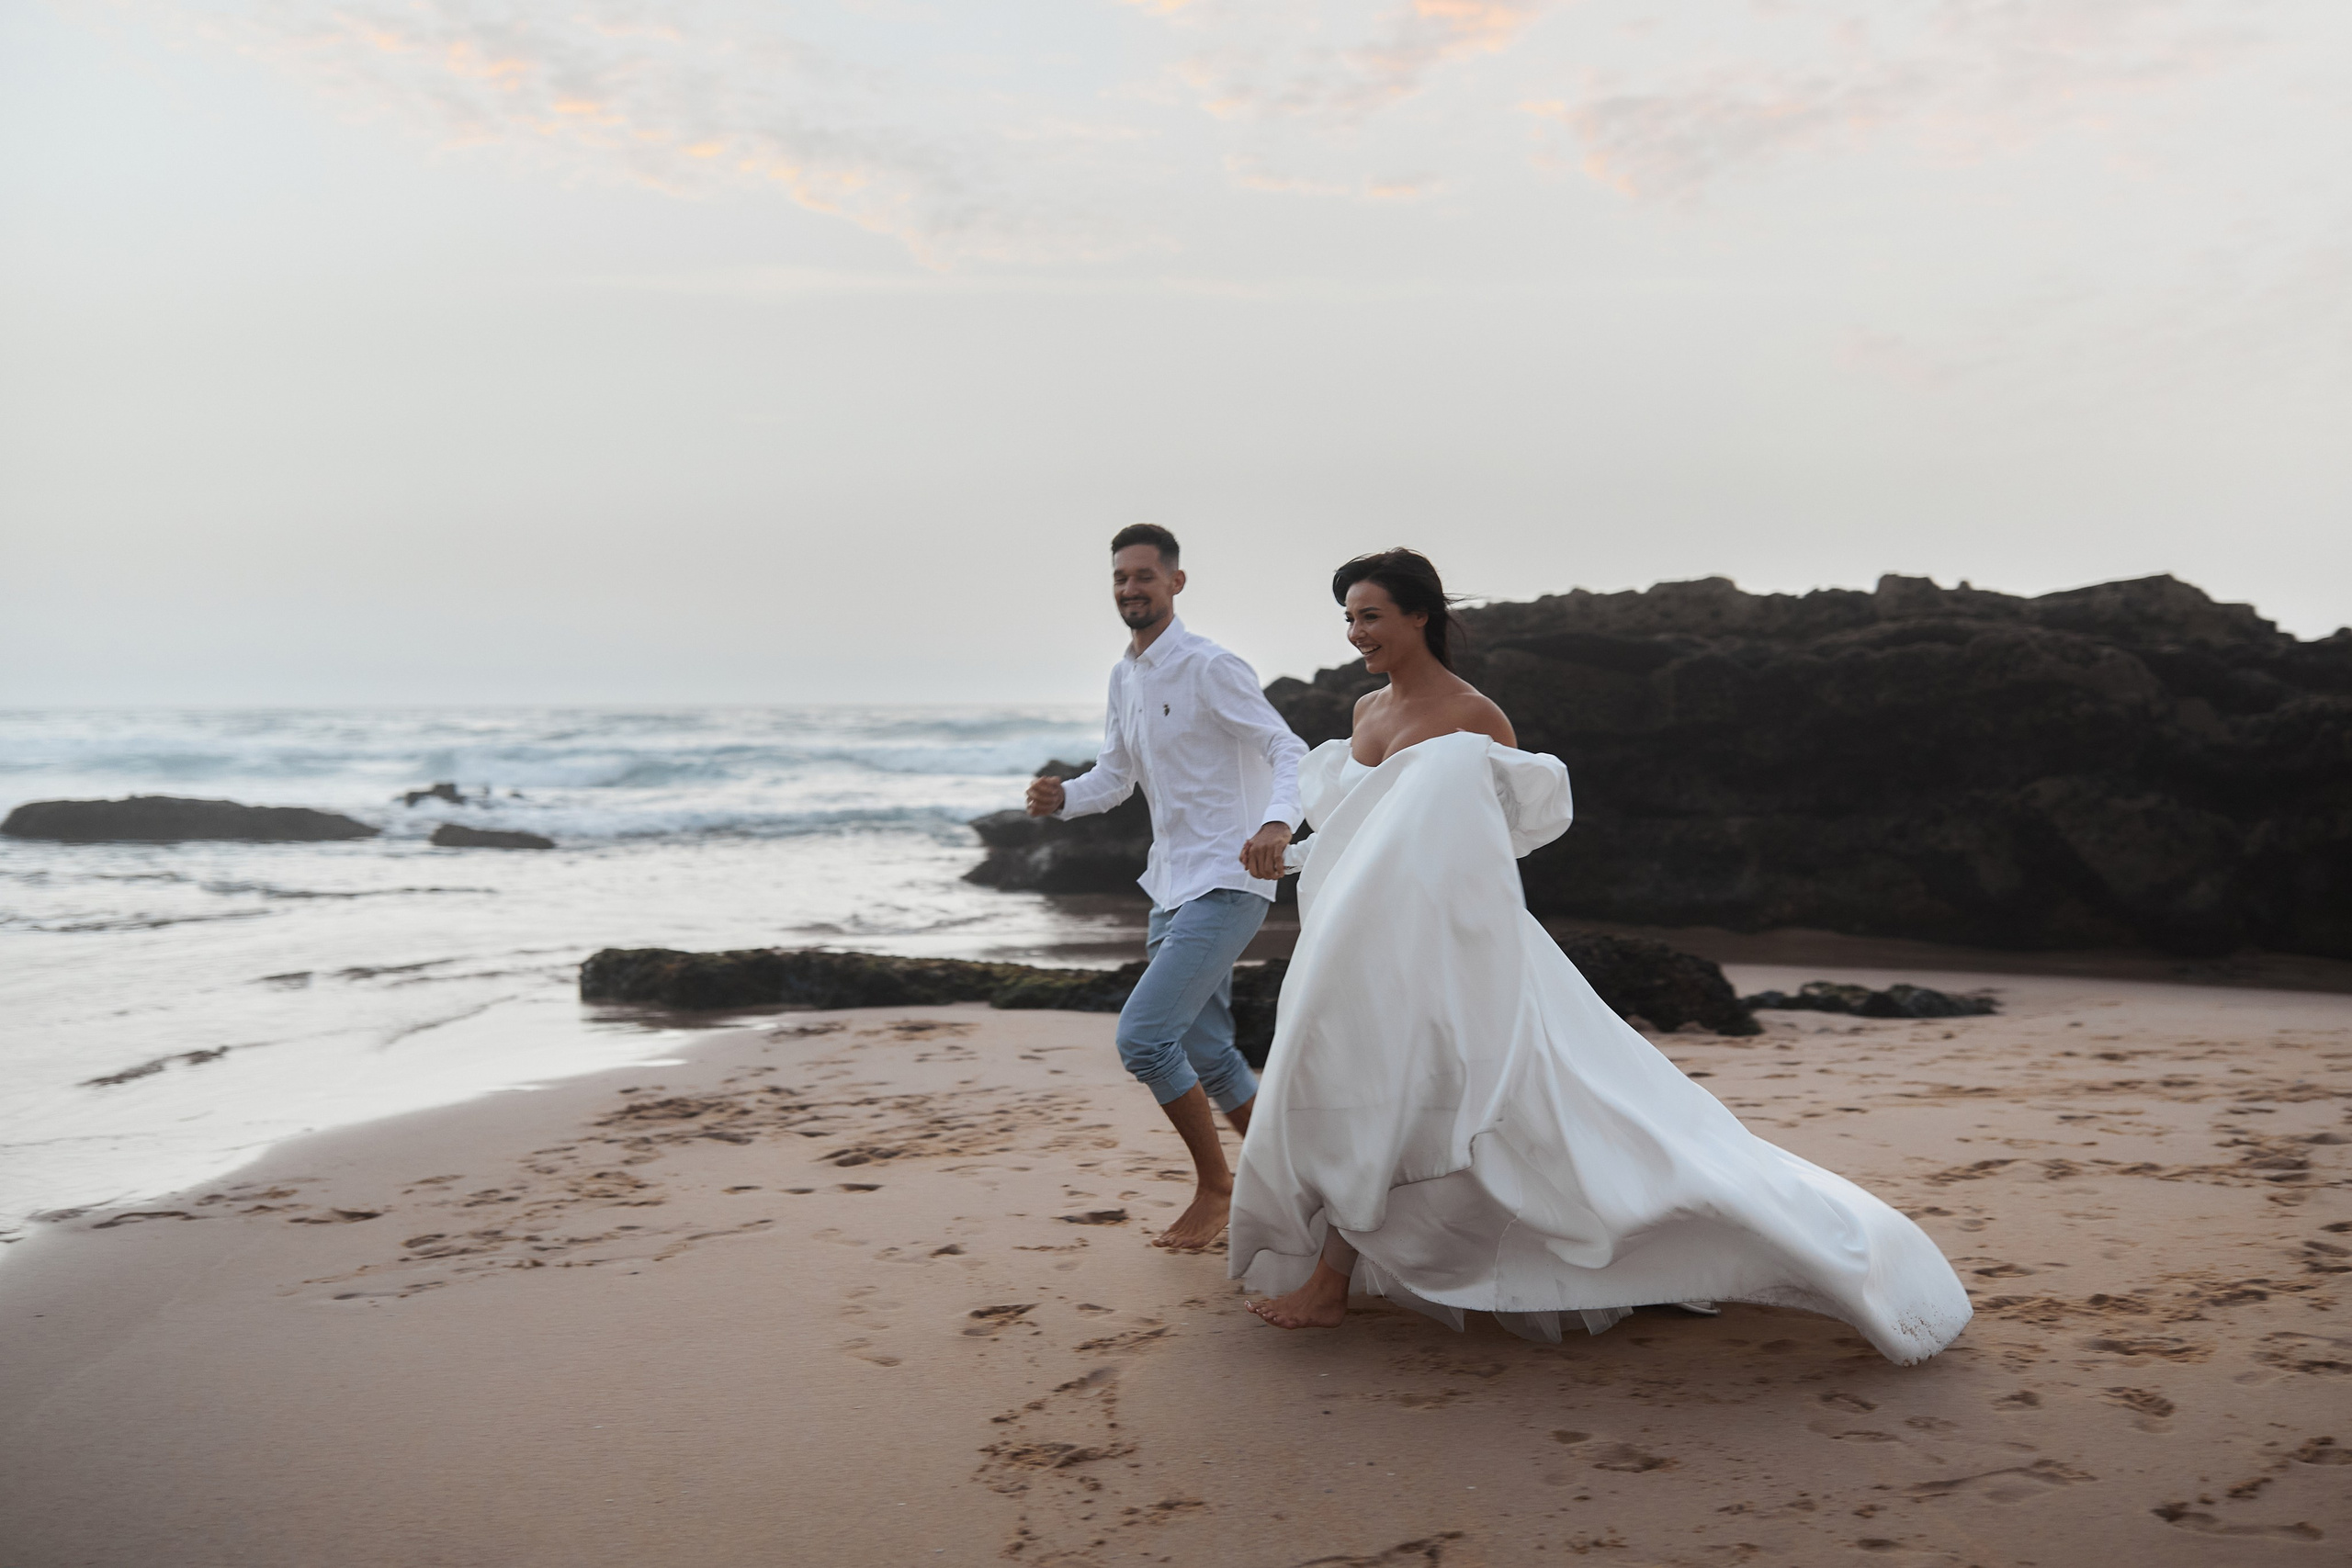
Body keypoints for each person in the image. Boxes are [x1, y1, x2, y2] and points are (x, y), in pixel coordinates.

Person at [1229, 549, 1973, 1366]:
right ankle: (1427, 1261)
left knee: (1416, 1093)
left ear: (1419, 615)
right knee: (1379, 1091)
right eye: (1348, 617)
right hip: (1357, 941)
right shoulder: (1367, 710)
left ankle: (1331, 1283)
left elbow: (1484, 848)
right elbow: (1353, 833)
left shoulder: (1477, 719)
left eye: (1370, 614)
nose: (1356, 631)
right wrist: (1283, 855)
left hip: (1448, 946)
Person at [1028, 525, 1307, 1252]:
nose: (1130, 589)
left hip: (1230, 879)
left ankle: (1220, 1187)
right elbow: (1116, 777)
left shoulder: (1212, 667)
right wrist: (1065, 799)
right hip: (1173, 886)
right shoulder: (1125, 675)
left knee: (1145, 1038)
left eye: (1144, 576)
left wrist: (1277, 823)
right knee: (1210, 1051)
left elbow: (1289, 749)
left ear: (1176, 583)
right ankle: (1295, 1183)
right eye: (1120, 577)